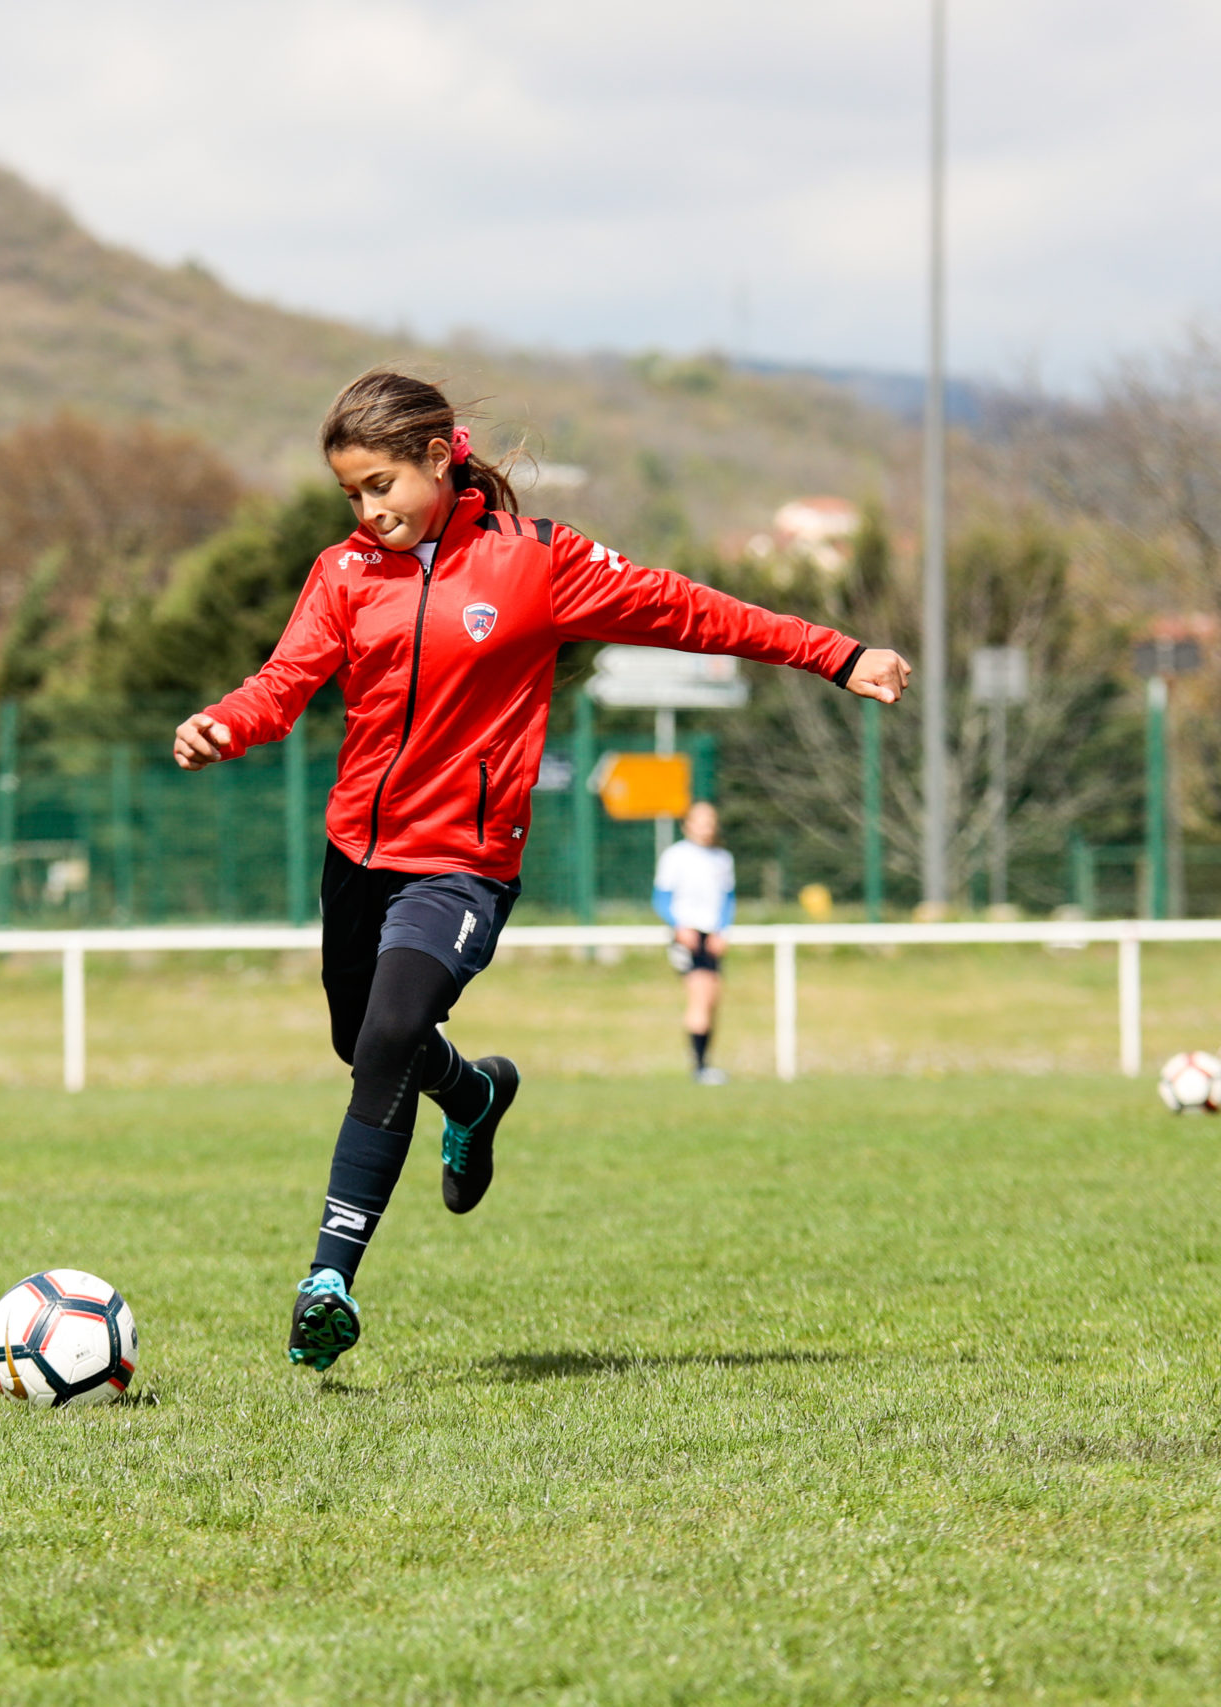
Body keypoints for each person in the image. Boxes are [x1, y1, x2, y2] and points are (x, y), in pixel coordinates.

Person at [172, 370, 910, 1371]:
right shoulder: (341, 574)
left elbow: (687, 611)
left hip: (462, 866)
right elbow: (284, 680)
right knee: (366, 1042)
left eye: (381, 484)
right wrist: (227, 725)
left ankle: (328, 1279)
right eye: (351, 493)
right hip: (358, 856)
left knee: (390, 1034)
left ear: (439, 458)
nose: (368, 509)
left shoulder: (536, 564)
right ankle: (473, 1098)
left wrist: (835, 653)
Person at [655, 801, 735, 1084]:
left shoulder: (722, 858)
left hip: (712, 936)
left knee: (713, 999)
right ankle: (700, 1068)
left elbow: (727, 898)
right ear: (687, 825)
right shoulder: (676, 856)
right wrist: (680, 927)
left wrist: (722, 931)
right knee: (700, 996)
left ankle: (704, 1064)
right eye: (700, 821)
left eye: (710, 821)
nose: (706, 827)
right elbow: (661, 898)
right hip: (687, 935)